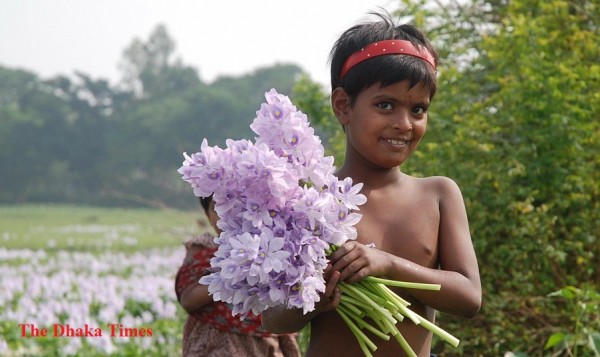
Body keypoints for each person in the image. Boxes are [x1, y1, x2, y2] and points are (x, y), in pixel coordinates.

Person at [262, 11, 482, 357]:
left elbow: (470, 297)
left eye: (419, 109)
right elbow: (272, 319)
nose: (404, 124)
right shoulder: (307, 199)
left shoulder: (439, 194)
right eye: (386, 105)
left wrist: (388, 264)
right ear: (343, 106)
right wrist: (313, 301)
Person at [175, 195, 301, 356]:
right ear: (207, 214)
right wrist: (234, 271)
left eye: (234, 206)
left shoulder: (274, 247)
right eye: (215, 207)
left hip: (265, 344)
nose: (225, 213)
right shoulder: (203, 248)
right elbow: (188, 300)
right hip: (215, 344)